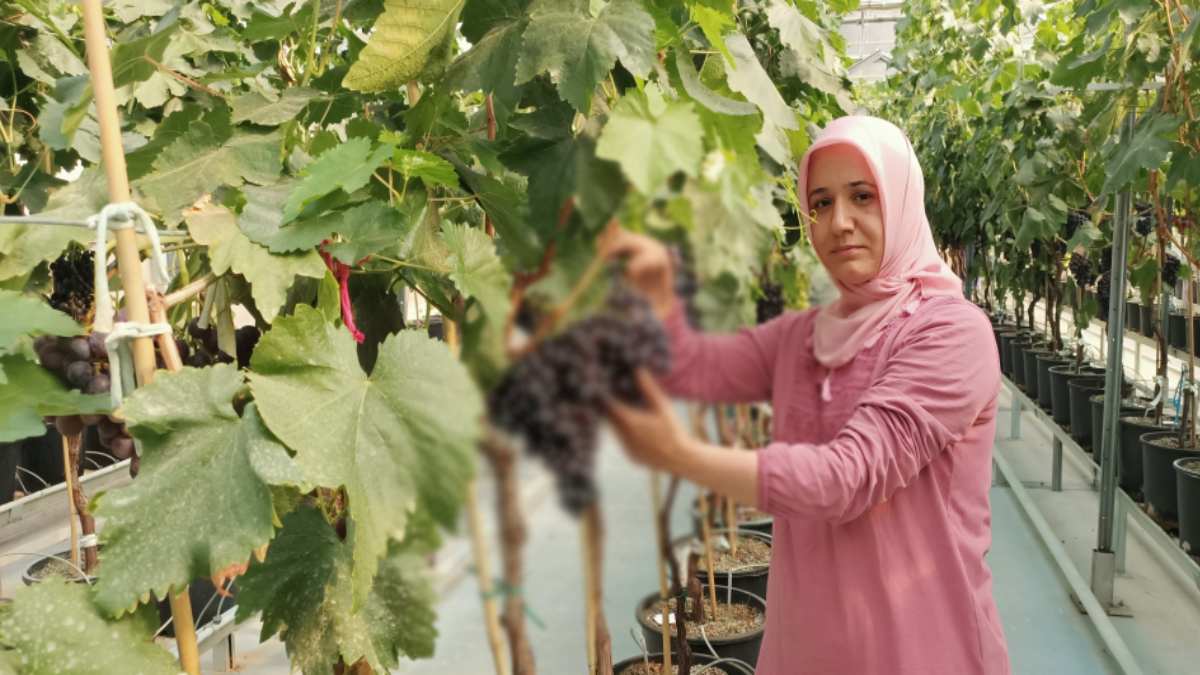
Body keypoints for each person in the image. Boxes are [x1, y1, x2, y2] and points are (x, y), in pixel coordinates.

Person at [603, 116, 1011, 675]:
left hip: (919, 650)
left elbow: (849, 477)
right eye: (820, 204)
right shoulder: (808, 335)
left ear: (901, 198)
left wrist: (684, 455)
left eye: (862, 196)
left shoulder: (951, 333)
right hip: (806, 646)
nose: (839, 222)